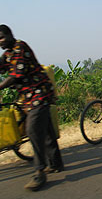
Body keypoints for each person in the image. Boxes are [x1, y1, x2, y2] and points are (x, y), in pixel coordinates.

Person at [0, 24, 64, 191]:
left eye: (1, 37)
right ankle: (56, 163)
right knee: (46, 129)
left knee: (33, 130)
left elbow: (15, 76)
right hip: (29, 97)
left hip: (39, 93)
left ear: (9, 35)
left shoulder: (20, 47)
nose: (0, 42)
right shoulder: (7, 54)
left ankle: (39, 172)